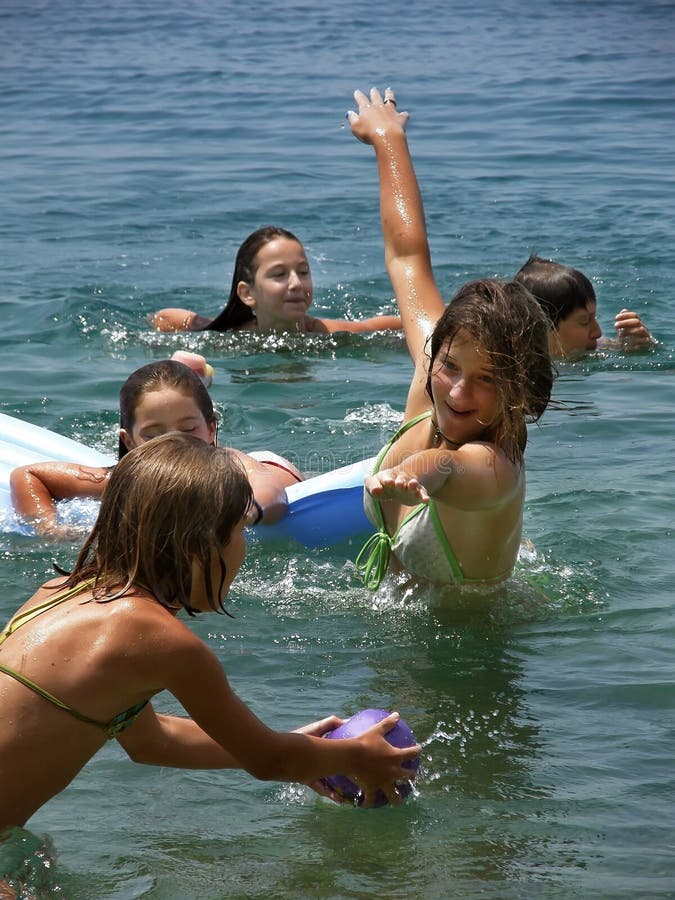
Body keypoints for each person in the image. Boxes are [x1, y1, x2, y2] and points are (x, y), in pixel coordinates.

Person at [0, 433, 420, 830]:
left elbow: (152, 741)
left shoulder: (61, 591)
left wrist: (302, 750)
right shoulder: (159, 639)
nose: (241, 548)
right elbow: (268, 762)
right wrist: (356, 756)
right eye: (238, 532)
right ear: (199, 546)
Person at [347, 88, 553, 590]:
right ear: (436, 352)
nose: (458, 391)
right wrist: (388, 140)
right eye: (452, 367)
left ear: (518, 389)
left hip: (475, 660)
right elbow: (406, 256)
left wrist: (416, 471)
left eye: (487, 378)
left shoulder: (494, 467)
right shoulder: (430, 376)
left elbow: (449, 468)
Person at [10, 357, 302, 540]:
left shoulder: (229, 464)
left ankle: (191, 374)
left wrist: (244, 514)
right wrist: (48, 527)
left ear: (212, 428)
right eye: (153, 435)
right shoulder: (122, 481)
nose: (174, 442)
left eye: (188, 429)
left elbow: (271, 488)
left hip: (273, 468)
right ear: (129, 441)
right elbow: (28, 476)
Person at [150, 225, 402, 334]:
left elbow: (387, 326)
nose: (296, 283)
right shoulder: (230, 337)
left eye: (303, 272)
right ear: (247, 293)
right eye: (279, 274)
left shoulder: (326, 334)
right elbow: (164, 316)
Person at [514, 254, 655, 358]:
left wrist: (639, 345)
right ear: (540, 329)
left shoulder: (599, 347)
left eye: (594, 317)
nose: (598, 333)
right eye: (584, 322)